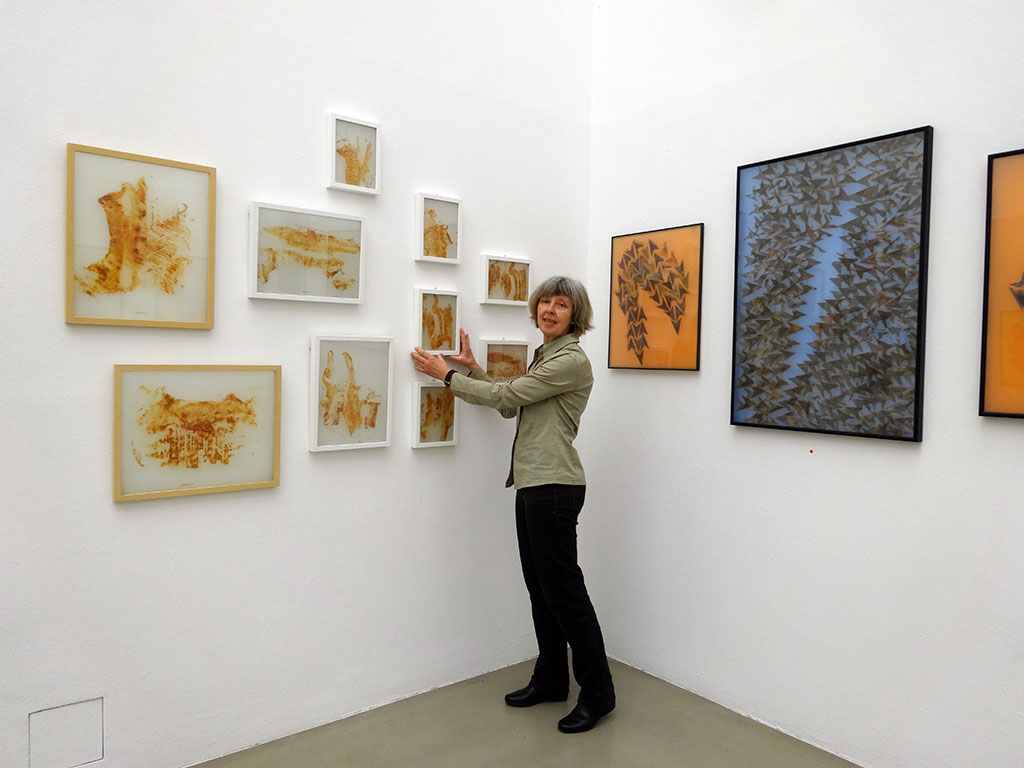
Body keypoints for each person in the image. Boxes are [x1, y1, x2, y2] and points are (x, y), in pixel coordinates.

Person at [410, 275, 615, 734]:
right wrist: (472, 370)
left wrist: (447, 375)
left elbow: (506, 396)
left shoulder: (570, 360)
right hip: (533, 483)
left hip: (554, 486)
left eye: (561, 305)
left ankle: (599, 694)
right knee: (541, 589)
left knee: (565, 594)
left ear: (575, 316)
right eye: (545, 302)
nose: (550, 310)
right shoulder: (547, 355)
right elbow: (510, 406)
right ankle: (551, 679)